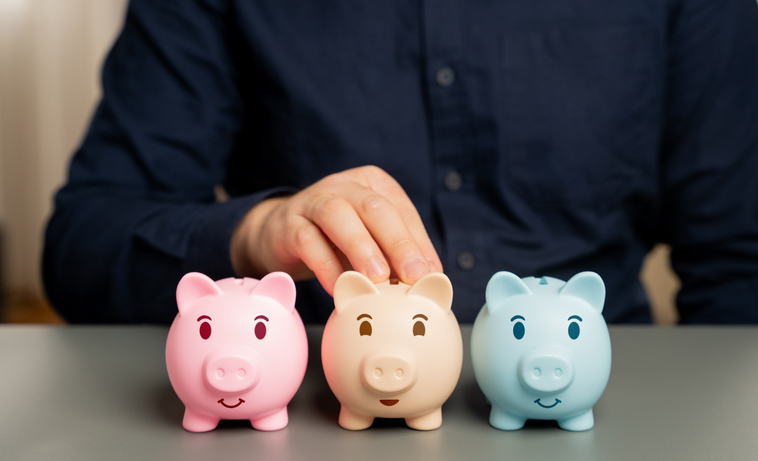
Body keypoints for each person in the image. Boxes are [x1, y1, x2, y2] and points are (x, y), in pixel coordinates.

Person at [43, 0, 758, 324]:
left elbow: (737, 264)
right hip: (312, 407)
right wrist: (255, 233)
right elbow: (82, 242)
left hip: (601, 400)